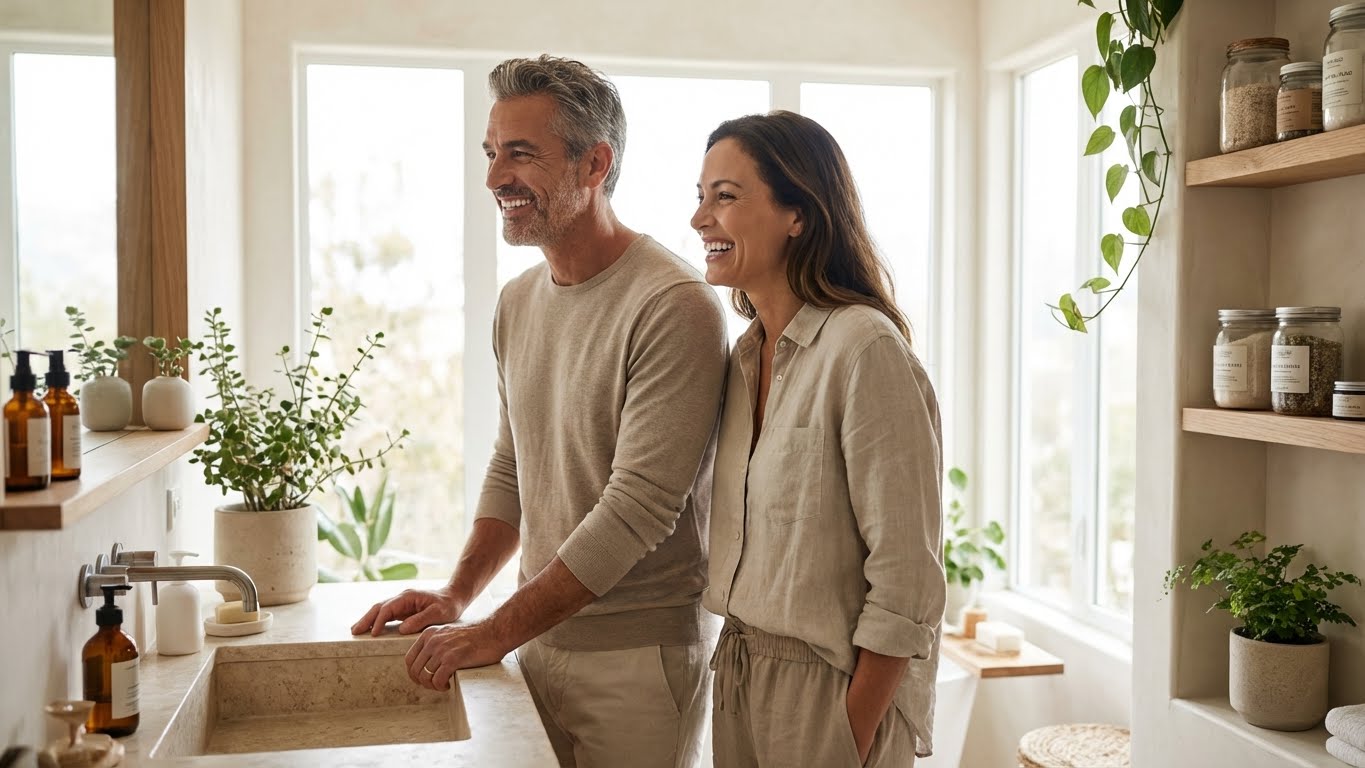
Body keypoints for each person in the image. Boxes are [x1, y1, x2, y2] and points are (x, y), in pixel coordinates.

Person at [351, 55, 728, 768]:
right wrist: (460, 594)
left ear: (595, 164)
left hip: (636, 661)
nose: (495, 178)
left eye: (520, 154)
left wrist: (495, 630)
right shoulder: (518, 301)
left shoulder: (672, 306)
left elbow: (638, 509)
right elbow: (512, 461)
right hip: (534, 644)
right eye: (492, 154)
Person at [690, 110, 945, 768]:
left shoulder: (862, 349)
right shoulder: (743, 361)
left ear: (797, 213)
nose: (700, 219)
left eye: (725, 196)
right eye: (700, 198)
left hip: (827, 692)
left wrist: (845, 737)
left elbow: (906, 581)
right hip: (741, 674)